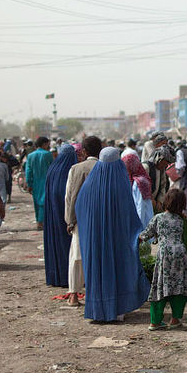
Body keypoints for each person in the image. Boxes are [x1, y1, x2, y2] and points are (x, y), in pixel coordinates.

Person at [75, 147, 151, 322]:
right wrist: (135, 233)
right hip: (117, 240)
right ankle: (117, 310)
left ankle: (97, 310)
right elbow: (130, 214)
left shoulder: (89, 186)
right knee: (119, 268)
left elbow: (80, 208)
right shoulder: (120, 183)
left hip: (94, 241)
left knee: (97, 270)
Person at [140, 188, 187, 330]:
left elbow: (144, 235)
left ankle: (155, 322)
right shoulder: (182, 220)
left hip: (165, 255)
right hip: (180, 254)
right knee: (178, 287)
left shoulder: (158, 218)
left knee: (160, 286)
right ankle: (175, 319)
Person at [64, 136, 103, 307]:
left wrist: (69, 220)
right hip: (101, 218)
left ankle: (73, 295)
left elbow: (69, 197)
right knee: (98, 255)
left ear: (84, 152)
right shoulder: (105, 168)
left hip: (80, 219)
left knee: (76, 256)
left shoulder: (76, 169)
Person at [43, 144, 78, 287]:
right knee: (69, 246)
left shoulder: (53, 169)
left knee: (56, 244)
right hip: (67, 215)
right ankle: (69, 278)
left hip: (53, 214)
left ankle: (57, 276)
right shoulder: (71, 170)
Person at [25, 136, 54, 230]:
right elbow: (53, 169)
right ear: (44, 144)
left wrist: (29, 184)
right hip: (47, 181)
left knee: (37, 202)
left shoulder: (30, 156)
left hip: (35, 182)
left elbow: (28, 171)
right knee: (44, 202)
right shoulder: (48, 154)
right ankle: (42, 221)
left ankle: (39, 221)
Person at [123, 152, 154, 227]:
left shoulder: (139, 182)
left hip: (142, 223)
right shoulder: (137, 179)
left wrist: (138, 228)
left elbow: (141, 207)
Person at [150, 145, 175, 213]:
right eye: (165, 162)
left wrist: (159, 201)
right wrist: (151, 200)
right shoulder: (146, 167)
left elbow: (163, 186)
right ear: (159, 158)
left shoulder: (162, 170)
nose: (166, 165)